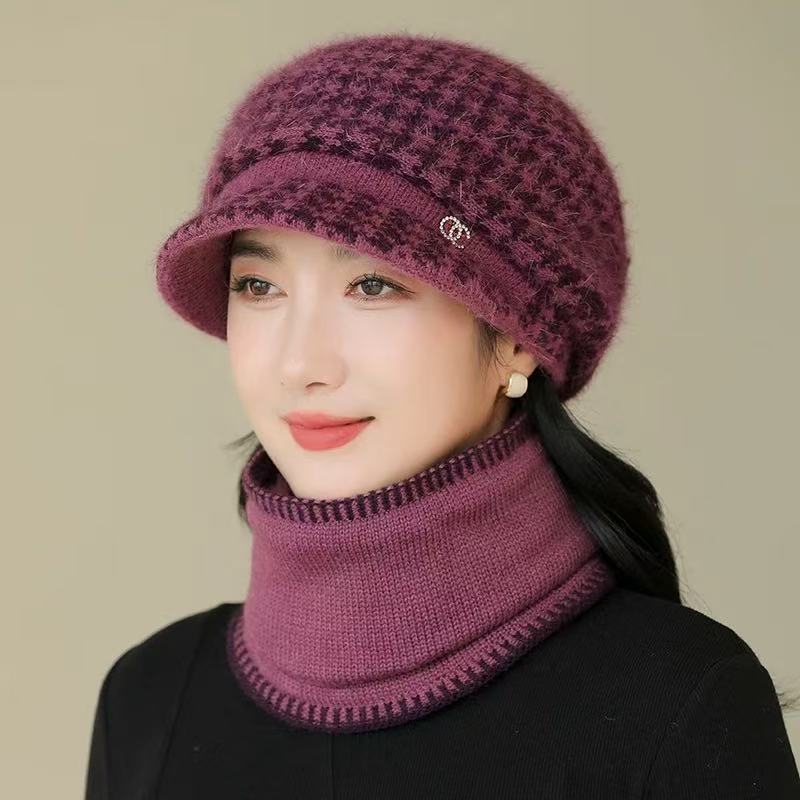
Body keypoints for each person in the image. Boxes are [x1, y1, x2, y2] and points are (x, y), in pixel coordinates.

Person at [84, 31, 800, 799]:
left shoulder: (678, 705)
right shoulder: (149, 698)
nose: (299, 364)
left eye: (374, 286)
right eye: (259, 287)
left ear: (519, 337)